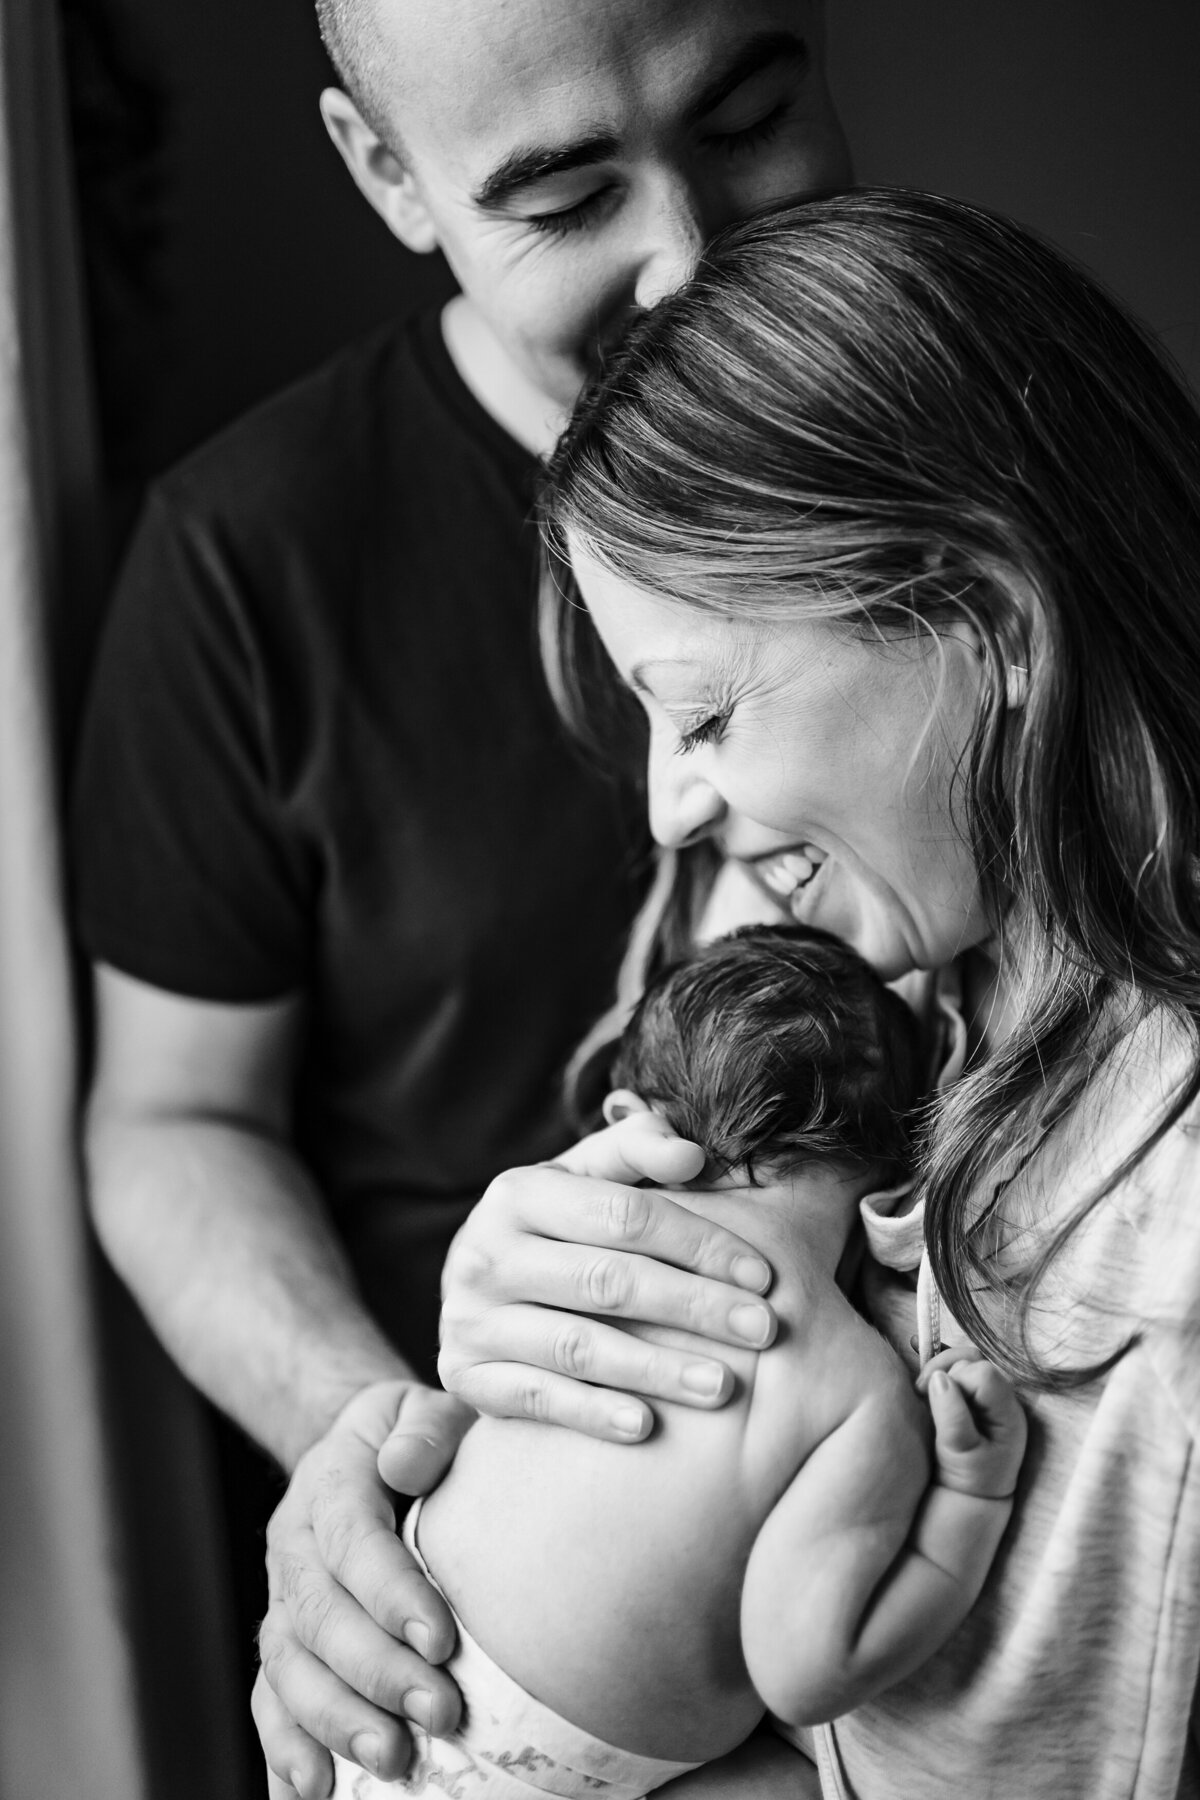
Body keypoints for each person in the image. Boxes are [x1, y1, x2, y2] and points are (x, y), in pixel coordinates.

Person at [69, 0, 854, 1791]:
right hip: (538, 1614)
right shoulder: (243, 566)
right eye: (566, 197)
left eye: (745, 113)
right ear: (385, 174)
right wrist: (366, 1439)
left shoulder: (1014, 453)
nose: (691, 254)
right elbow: (174, 1118)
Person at [432, 188, 1200, 1797]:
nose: (666, 808)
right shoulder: (907, 979)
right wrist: (473, 1410)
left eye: (701, 711)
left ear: (981, 620)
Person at [329, 922, 1025, 1798]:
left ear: (632, 1123)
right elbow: (807, 1667)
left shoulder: (559, 1253)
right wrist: (973, 1497)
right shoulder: (856, 1392)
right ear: (899, 1182)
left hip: (378, 1665)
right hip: (544, 1769)